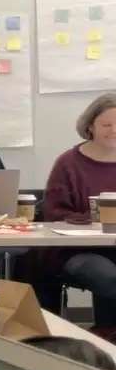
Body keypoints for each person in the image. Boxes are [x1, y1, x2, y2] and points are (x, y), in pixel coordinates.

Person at [43, 93, 116, 328]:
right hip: (77, 250)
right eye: (107, 125)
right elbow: (54, 214)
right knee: (108, 276)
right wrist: (95, 220)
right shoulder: (68, 163)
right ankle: (107, 335)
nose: (114, 130)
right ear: (90, 126)